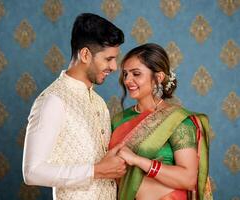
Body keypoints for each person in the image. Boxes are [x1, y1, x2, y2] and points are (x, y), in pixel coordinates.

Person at [22, 13, 126, 200]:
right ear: (85, 54)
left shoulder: (99, 102)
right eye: (108, 59)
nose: (114, 66)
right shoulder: (53, 101)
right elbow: (32, 172)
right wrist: (95, 171)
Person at [109, 43, 213, 200]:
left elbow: (189, 179)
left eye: (136, 74)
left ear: (158, 77)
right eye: (125, 74)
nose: (128, 80)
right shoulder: (118, 120)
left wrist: (138, 161)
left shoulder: (177, 120)